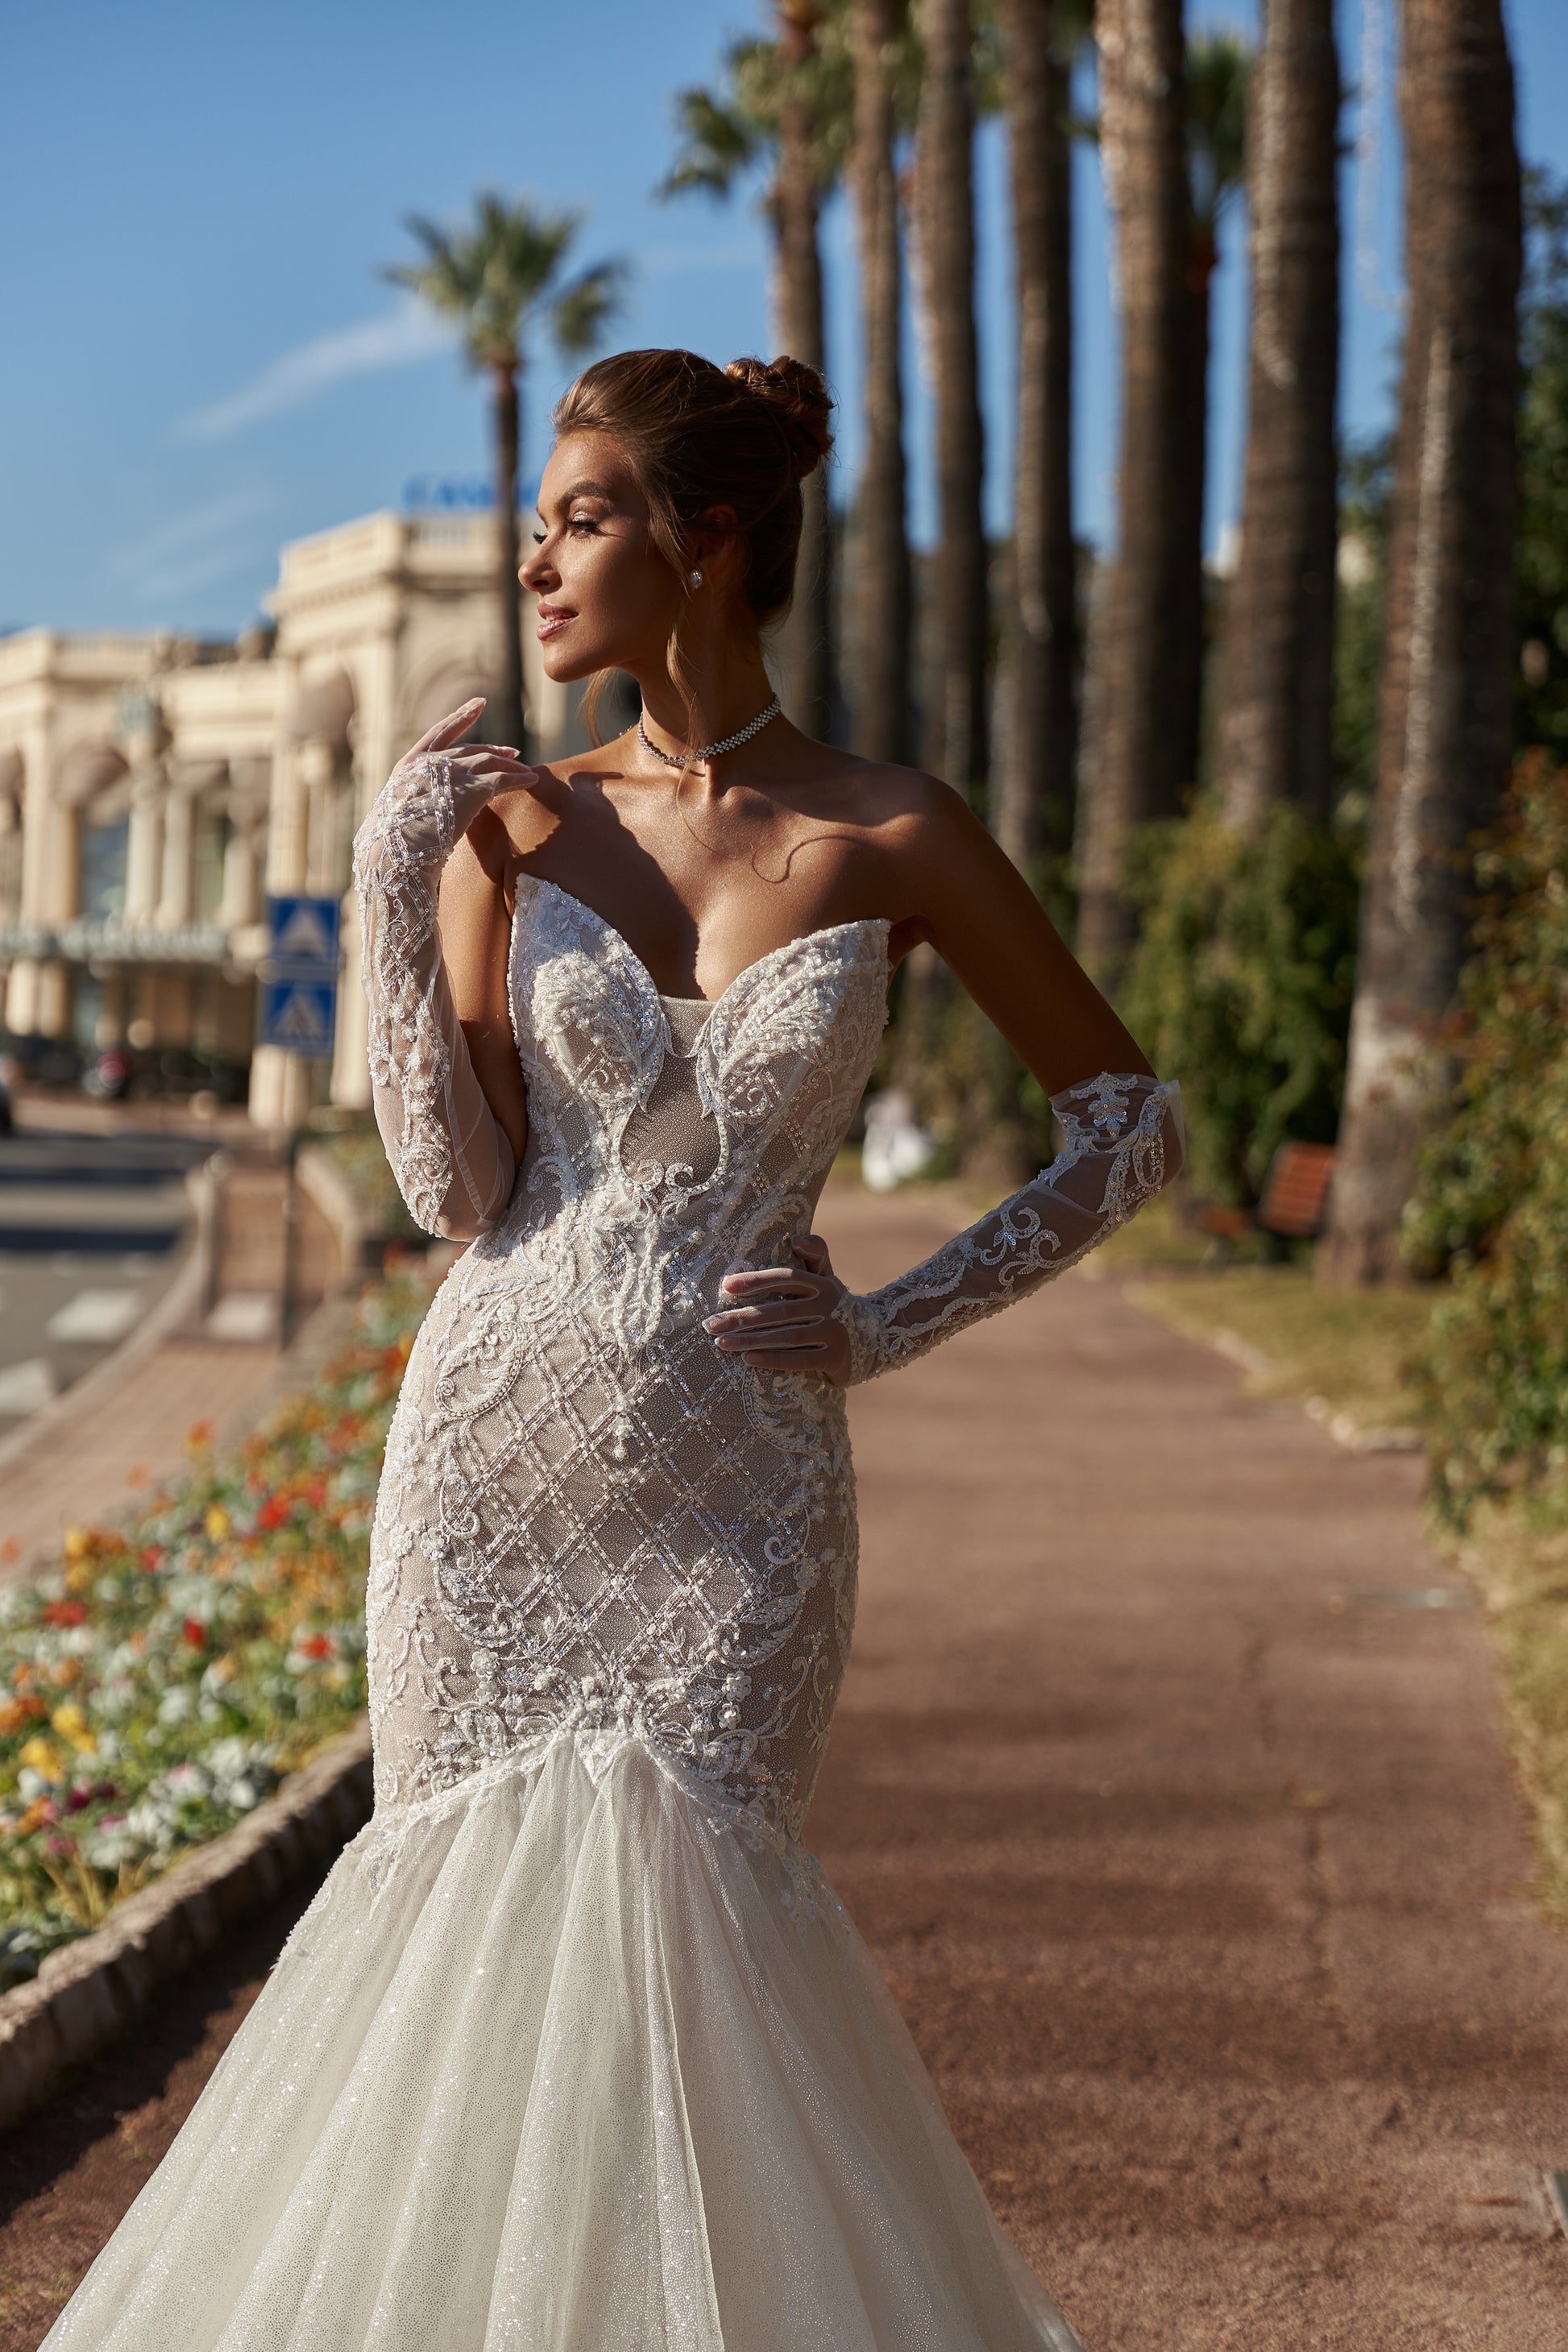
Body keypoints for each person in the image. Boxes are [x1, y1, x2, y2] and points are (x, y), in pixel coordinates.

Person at [43, 349, 1180, 2351]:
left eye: (578, 517)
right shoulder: (520, 824)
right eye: (536, 525)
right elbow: (454, 1186)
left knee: (706, 1966)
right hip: (491, 1463)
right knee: (449, 1950)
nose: (537, 559)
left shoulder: (893, 828)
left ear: (703, 535)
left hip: (739, 1493)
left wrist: (886, 1320)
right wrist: (403, 886)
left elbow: (1128, 1123)